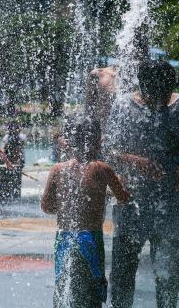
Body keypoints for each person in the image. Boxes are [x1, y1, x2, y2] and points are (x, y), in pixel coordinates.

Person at [104, 60, 179, 308]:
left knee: (168, 274)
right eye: (159, 91)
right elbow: (109, 151)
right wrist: (136, 162)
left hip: (169, 202)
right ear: (144, 86)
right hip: (131, 201)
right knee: (123, 272)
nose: (164, 97)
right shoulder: (123, 105)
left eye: (168, 90)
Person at [41, 118, 129, 308]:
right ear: (98, 140)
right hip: (90, 238)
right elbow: (123, 198)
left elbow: (46, 207)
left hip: (64, 238)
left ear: (69, 141)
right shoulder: (102, 168)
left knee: (63, 289)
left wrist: (66, 205)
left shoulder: (57, 169)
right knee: (92, 294)